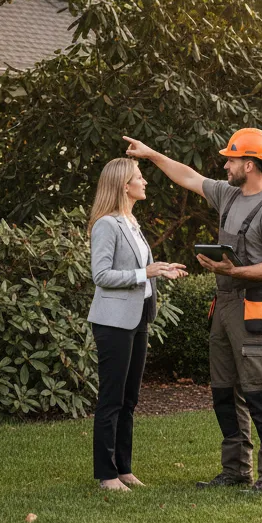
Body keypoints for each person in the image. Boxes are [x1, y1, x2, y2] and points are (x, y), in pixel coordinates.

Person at [124, 129, 262, 492]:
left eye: (231, 159)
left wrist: (233, 271)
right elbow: (189, 176)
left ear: (249, 164)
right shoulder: (228, 194)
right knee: (223, 391)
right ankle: (235, 470)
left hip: (255, 306)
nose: (225, 164)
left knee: (261, 392)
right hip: (225, 305)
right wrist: (151, 153)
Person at [88, 157, 187, 492]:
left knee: (130, 399)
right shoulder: (107, 224)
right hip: (113, 322)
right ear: (123, 185)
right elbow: (100, 276)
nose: (144, 182)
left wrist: (161, 270)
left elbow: (142, 269)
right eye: (139, 177)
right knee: (112, 398)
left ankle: (124, 469)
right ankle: (106, 475)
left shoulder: (132, 222)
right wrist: (145, 272)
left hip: (139, 317)